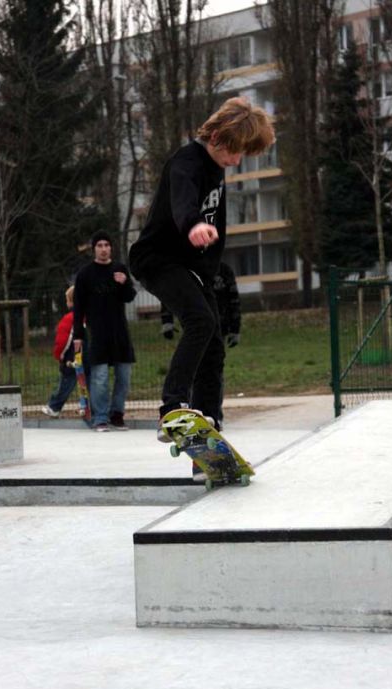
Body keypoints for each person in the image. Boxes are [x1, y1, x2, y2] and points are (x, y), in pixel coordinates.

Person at [129, 96, 274, 440]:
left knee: (214, 342)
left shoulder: (217, 168)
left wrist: (208, 270)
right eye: (234, 152)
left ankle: (209, 421)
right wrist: (192, 224)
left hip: (193, 267)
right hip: (157, 258)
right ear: (217, 138)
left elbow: (217, 224)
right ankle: (172, 409)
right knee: (200, 321)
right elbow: (183, 198)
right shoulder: (186, 161)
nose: (236, 161)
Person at [160, 260, 241, 426]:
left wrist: (235, 328)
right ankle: (176, 405)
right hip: (196, 319)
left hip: (220, 323)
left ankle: (211, 413)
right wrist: (166, 320)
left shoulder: (224, 270)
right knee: (196, 364)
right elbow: (170, 291)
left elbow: (234, 299)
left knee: (214, 362)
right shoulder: (187, 267)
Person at [73, 230, 136, 432]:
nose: (103, 249)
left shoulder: (119, 269)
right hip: (98, 332)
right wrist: (78, 336)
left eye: (106, 245)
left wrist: (124, 283)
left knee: (124, 377)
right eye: (99, 245)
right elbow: (78, 308)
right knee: (99, 378)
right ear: (94, 249)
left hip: (120, 332)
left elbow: (130, 296)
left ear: (111, 248)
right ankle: (100, 418)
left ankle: (116, 414)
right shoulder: (85, 274)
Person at [42, 285, 89, 418]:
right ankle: (86, 407)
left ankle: (54, 407)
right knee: (88, 384)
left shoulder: (69, 319)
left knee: (65, 385)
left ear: (72, 302)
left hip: (71, 358)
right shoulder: (89, 316)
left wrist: (59, 355)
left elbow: (63, 341)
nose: (66, 303)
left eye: (67, 300)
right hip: (89, 357)